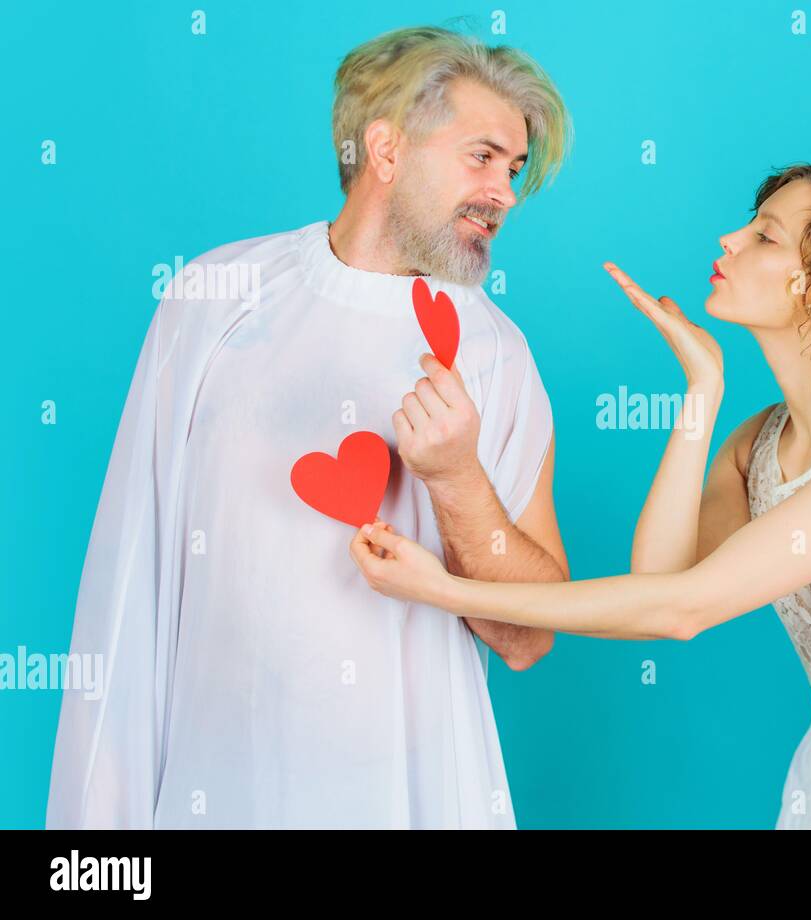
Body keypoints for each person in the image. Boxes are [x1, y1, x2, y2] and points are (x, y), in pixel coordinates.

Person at [349, 162, 811, 829]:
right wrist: (701, 392)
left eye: (765, 236)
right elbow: (660, 584)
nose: (729, 239)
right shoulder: (762, 440)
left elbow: (683, 610)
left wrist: (445, 589)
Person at [47, 25, 572, 829]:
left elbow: (530, 639)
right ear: (386, 150)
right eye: (481, 156)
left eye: (514, 168)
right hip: (213, 791)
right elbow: (130, 576)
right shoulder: (217, 295)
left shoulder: (499, 357)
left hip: (410, 800)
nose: (504, 190)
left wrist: (458, 478)